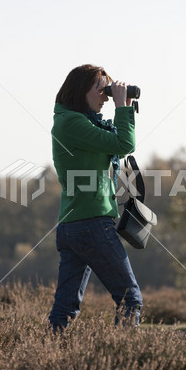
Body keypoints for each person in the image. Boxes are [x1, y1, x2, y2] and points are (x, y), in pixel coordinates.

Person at [48, 64, 143, 333]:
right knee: (130, 298)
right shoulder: (72, 123)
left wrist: (126, 106)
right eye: (101, 89)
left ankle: (49, 359)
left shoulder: (77, 122)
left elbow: (118, 140)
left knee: (66, 307)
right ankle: (123, 359)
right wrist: (122, 109)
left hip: (74, 226)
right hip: (90, 225)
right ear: (81, 91)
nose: (106, 95)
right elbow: (125, 145)